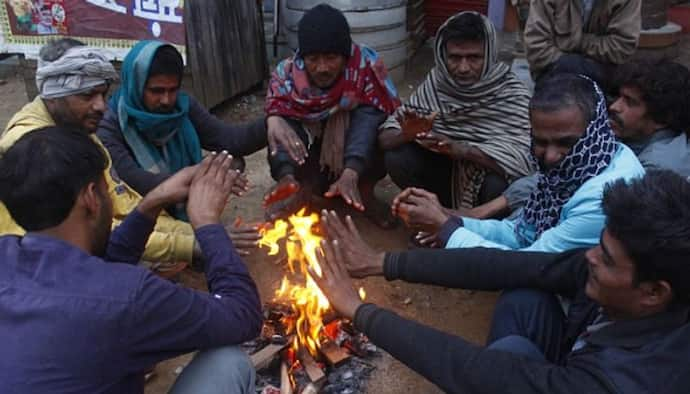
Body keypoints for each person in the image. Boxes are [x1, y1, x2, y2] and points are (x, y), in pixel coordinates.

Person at [313, 170, 690, 394]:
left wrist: (360, 311)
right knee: (527, 293)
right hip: (577, 362)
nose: (589, 256)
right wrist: (384, 262)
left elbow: (476, 371)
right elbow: (509, 265)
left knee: (501, 368)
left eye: (605, 258)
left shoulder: (626, 381)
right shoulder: (637, 281)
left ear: (654, 292)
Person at [0, 127, 262, 393]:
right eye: (107, 190)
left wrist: (151, 203)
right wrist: (207, 222)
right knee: (228, 361)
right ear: (91, 197)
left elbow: (93, 272)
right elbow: (243, 315)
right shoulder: (130, 297)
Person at [0, 39, 257, 269]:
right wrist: (191, 242)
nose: (101, 106)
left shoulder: (81, 130)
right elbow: (89, 233)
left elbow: (124, 203)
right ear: (53, 96)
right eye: (88, 95)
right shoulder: (33, 150)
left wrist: (198, 233)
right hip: (41, 276)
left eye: (102, 93)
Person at [393, 73, 644, 252]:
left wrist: (448, 229)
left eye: (565, 143)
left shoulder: (603, 196)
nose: (550, 156)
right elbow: (520, 233)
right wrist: (454, 223)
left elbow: (531, 264)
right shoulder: (583, 164)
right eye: (541, 142)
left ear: (596, 131)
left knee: (522, 302)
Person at [452, 59, 690, 223]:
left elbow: (570, 193)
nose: (615, 107)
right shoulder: (629, 138)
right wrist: (478, 213)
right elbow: (560, 176)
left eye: (630, 102)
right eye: (619, 97)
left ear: (662, 118)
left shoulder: (658, 169)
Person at [98, 40, 267, 222]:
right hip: (138, 213)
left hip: (182, 193)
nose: (166, 100)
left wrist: (274, 121)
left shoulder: (182, 107)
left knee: (230, 161)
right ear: (136, 85)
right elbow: (137, 182)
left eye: (173, 90)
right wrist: (203, 175)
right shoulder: (109, 126)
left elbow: (230, 140)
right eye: (157, 91)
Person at [262, 4, 400, 227]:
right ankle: (300, 189)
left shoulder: (366, 70)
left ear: (345, 56)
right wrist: (273, 120)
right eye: (313, 59)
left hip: (358, 158)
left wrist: (352, 171)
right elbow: (274, 114)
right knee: (279, 126)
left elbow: (368, 123)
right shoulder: (287, 77)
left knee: (379, 125)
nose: (322, 68)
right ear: (302, 56)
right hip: (315, 160)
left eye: (331, 57)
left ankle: (362, 191)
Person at [379, 11, 534, 209]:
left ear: (490, 55)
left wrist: (463, 150)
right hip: (441, 176)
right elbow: (384, 139)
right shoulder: (436, 84)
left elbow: (526, 163)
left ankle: (477, 229)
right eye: (455, 57)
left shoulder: (512, 93)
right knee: (398, 157)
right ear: (443, 55)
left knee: (500, 184)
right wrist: (407, 134)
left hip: (485, 186)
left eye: (474, 57)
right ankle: (433, 215)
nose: (463, 68)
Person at [524, 0, 640, 87]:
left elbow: (623, 47)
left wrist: (575, 41)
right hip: (553, 69)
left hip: (602, 72)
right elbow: (536, 49)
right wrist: (571, 62)